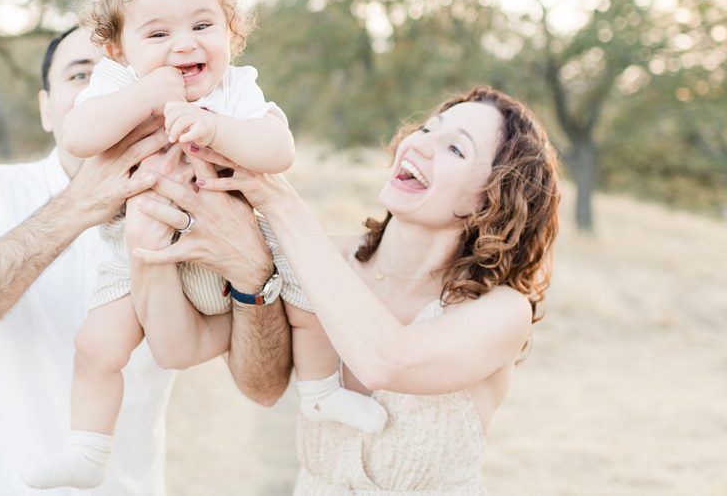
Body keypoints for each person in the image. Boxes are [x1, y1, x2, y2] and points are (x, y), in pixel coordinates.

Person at [25, 0, 384, 491]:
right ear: (119, 50)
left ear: (229, 33)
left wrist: (216, 128)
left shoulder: (235, 88)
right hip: (137, 250)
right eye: (158, 34)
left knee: (311, 298)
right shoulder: (118, 84)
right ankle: (88, 447)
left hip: (242, 236)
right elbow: (79, 134)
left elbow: (277, 149)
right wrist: (147, 95)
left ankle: (319, 391)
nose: (185, 44)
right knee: (95, 346)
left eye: (202, 24)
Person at [0, 26, 292, 496]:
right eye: (80, 74)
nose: (101, 92)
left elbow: (264, 387)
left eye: (124, 74)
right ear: (47, 109)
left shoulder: (206, 193)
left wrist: (253, 275)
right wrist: (78, 204)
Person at [133, 86, 561, 495]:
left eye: (455, 148)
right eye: (427, 129)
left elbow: (387, 362)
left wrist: (280, 201)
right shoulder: (324, 257)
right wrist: (251, 282)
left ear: (491, 200)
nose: (419, 144)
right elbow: (260, 387)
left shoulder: (502, 311)